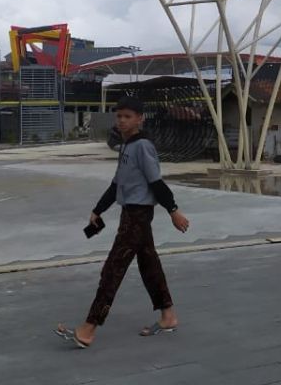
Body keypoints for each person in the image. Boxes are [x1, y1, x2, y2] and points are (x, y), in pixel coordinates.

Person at [56, 96, 190, 349]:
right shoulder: (126, 146)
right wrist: (98, 210)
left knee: (112, 270)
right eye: (119, 116)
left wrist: (173, 210)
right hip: (129, 213)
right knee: (149, 264)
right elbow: (117, 183)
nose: (122, 120)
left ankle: (88, 329)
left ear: (140, 119)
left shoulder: (143, 146)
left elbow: (156, 182)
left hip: (138, 216)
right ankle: (168, 316)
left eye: (128, 116)